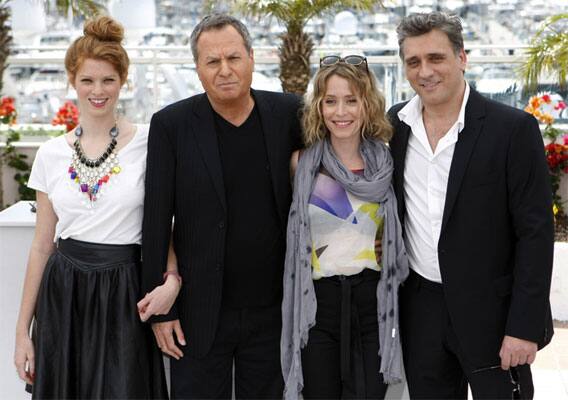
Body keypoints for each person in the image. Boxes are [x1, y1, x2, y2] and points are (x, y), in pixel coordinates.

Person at [388, 12, 554, 399]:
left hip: (493, 315)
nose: (425, 71)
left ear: (462, 57)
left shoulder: (512, 129)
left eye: (436, 58)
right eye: (413, 62)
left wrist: (524, 326)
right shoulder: (395, 125)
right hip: (421, 309)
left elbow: (535, 234)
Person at [141, 13, 303, 399]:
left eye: (233, 57)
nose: (224, 70)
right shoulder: (171, 125)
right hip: (198, 309)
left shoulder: (289, 113)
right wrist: (162, 311)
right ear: (197, 68)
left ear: (251, 57)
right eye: (212, 61)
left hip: (274, 309)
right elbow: (156, 217)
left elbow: (332, 177)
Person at [13, 15, 170, 399]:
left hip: (125, 290)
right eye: (87, 80)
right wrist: (22, 333)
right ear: (72, 82)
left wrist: (173, 277)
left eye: (107, 80)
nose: (97, 91)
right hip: (64, 293)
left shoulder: (151, 143)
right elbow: (41, 245)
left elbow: (167, 221)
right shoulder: (50, 154)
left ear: (123, 81)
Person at [281, 56, 409, 399]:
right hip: (317, 306)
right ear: (319, 107)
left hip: (374, 303)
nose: (342, 111)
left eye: (351, 100)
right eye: (331, 101)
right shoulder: (302, 164)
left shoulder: (385, 163)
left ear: (367, 104)